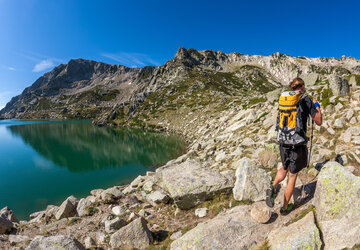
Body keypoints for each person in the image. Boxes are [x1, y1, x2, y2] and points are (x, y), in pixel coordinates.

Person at [266, 77, 322, 215]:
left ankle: (273, 187)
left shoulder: (285, 100)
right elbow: (318, 121)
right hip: (297, 143)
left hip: (283, 141)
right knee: (292, 176)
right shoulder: (305, 99)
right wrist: (317, 106)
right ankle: (285, 208)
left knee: (284, 167)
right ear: (302, 87)